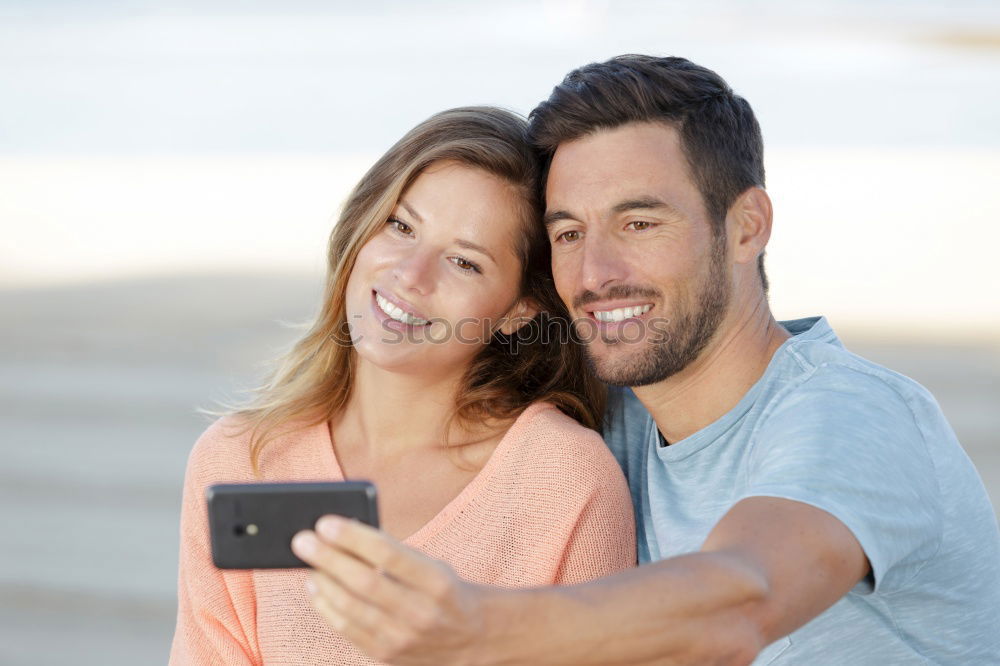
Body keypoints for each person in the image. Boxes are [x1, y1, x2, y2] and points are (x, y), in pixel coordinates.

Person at [291, 55, 1000, 664]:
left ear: (746, 226)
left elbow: (740, 600)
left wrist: (479, 627)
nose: (597, 272)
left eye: (639, 222)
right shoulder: (603, 423)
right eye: (568, 232)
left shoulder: (852, 413)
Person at [168, 106, 636, 665]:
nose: (410, 275)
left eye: (464, 262)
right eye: (401, 225)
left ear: (517, 309)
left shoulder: (566, 482)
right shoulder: (241, 458)